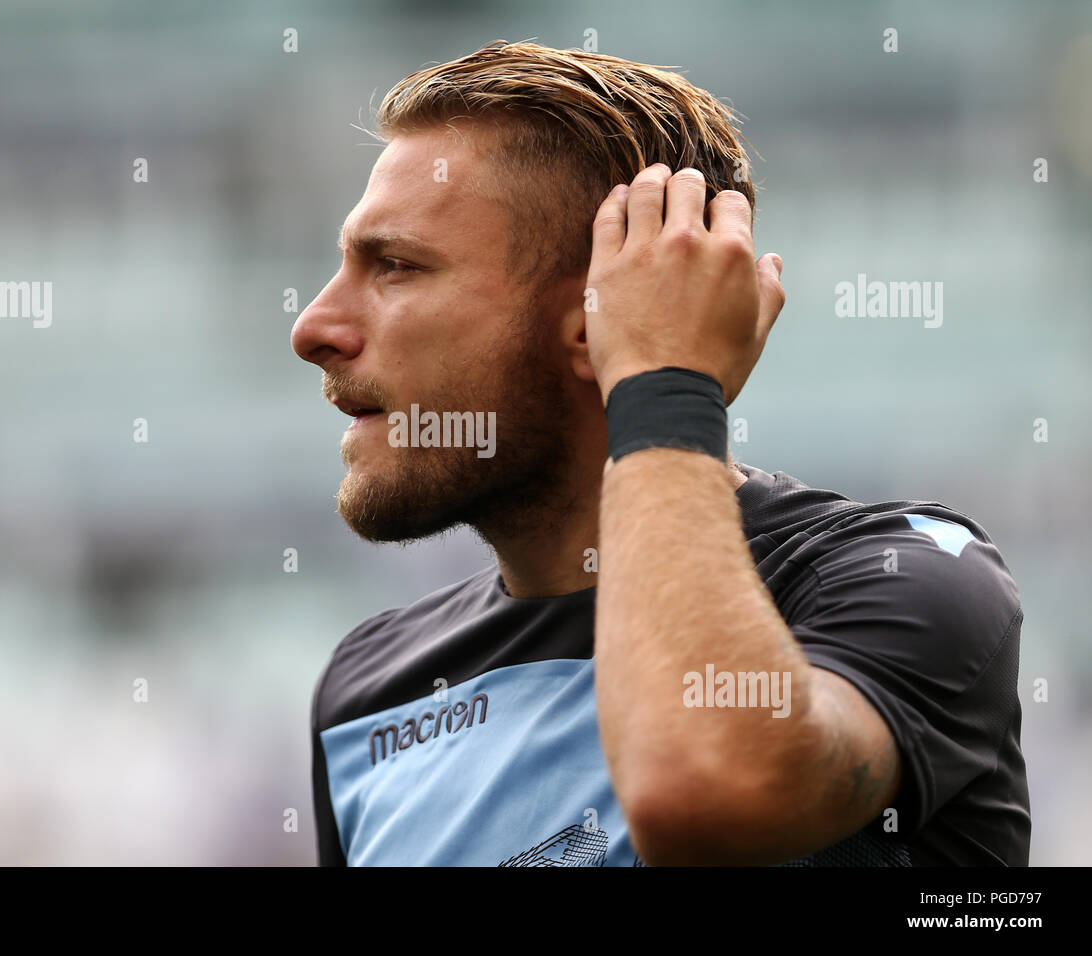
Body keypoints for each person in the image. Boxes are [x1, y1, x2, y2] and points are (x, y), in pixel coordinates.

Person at [290, 40, 1029, 866]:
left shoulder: (902, 579)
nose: (314, 329)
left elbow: (703, 789)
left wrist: (666, 379)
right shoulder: (368, 690)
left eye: (395, 266)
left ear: (596, 323)